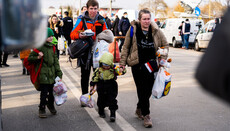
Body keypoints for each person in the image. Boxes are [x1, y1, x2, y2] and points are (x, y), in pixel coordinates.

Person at [119, 8, 169, 128]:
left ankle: (139, 108)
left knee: (148, 90)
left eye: (148, 19)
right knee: (141, 89)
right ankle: (147, 115)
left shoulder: (157, 31)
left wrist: (162, 56)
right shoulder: (133, 30)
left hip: (152, 65)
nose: (146, 21)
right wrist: (122, 64)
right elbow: (125, 47)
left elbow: (165, 45)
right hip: (137, 64)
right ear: (140, 19)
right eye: (144, 19)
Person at [70, 0, 107, 98]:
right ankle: (85, 97)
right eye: (91, 8)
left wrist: (102, 38)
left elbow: (108, 35)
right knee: (85, 76)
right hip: (85, 52)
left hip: (98, 52)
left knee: (98, 76)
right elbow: (72, 34)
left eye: (95, 9)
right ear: (87, 8)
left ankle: (101, 101)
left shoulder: (101, 20)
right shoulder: (82, 19)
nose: (93, 11)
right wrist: (80, 35)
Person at [28, 28, 63, 118]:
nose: (51, 38)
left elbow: (56, 61)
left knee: (52, 93)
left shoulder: (53, 47)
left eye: (51, 36)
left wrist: (59, 73)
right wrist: (38, 57)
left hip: (52, 74)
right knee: (44, 93)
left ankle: (50, 105)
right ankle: (42, 108)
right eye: (49, 36)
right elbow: (30, 59)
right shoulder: (39, 47)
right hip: (42, 74)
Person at [90, 52, 126, 122]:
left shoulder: (113, 69)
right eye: (104, 65)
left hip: (111, 85)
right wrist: (92, 84)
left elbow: (121, 72)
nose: (106, 67)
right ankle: (101, 110)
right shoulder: (99, 70)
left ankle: (113, 113)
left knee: (112, 100)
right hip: (101, 85)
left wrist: (122, 69)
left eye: (108, 65)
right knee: (101, 99)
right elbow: (95, 77)